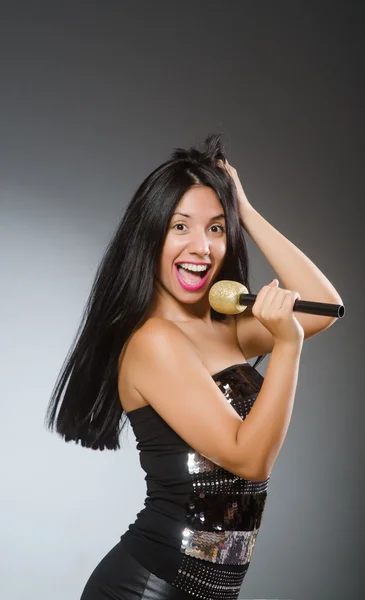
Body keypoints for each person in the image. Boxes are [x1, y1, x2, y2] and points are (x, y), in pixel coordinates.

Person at [45, 133, 304, 599]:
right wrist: (287, 347)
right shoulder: (154, 342)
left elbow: (324, 303)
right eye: (180, 226)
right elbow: (250, 459)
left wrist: (243, 208)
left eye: (217, 228)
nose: (201, 246)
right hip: (148, 588)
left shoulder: (225, 328)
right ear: (151, 235)